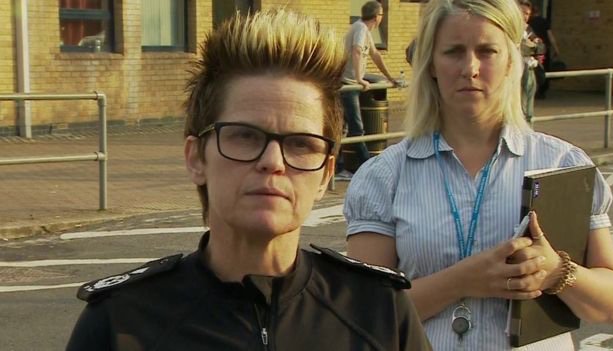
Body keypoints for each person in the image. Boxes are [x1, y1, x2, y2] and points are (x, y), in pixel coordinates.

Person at [65, 9, 432, 351]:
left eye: (301, 143)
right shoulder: (120, 322)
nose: (272, 162)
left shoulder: (379, 311)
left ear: (326, 174)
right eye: (245, 136)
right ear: (196, 158)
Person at [344, 0, 613, 350]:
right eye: (454, 52)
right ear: (431, 63)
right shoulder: (385, 176)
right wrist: (462, 281)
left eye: (487, 51)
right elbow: (363, 314)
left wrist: (555, 271)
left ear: (510, 60)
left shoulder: (564, 164)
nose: (470, 68)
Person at [335, 0, 398, 181]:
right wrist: (359, 78)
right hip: (348, 85)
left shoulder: (364, 30)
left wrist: (390, 77)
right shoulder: (361, 29)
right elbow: (356, 51)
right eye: (381, 15)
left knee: (343, 128)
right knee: (357, 128)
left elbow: (375, 55)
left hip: (348, 83)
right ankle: (367, 168)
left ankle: (340, 169)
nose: (382, 19)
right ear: (377, 16)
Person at [518, 0, 545, 124]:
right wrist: (533, 46)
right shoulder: (513, 28)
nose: (525, 16)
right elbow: (524, 47)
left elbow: (540, 46)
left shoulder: (528, 29)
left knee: (529, 109)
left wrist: (535, 46)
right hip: (518, 69)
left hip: (530, 68)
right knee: (520, 107)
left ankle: (528, 132)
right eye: (522, 12)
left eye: (527, 14)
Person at [529, 4, 561, 99]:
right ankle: (541, 91)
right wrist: (556, 49)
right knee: (544, 70)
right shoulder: (543, 22)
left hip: (531, 50)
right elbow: (550, 36)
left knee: (532, 70)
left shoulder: (529, 23)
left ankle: (533, 90)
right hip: (543, 50)